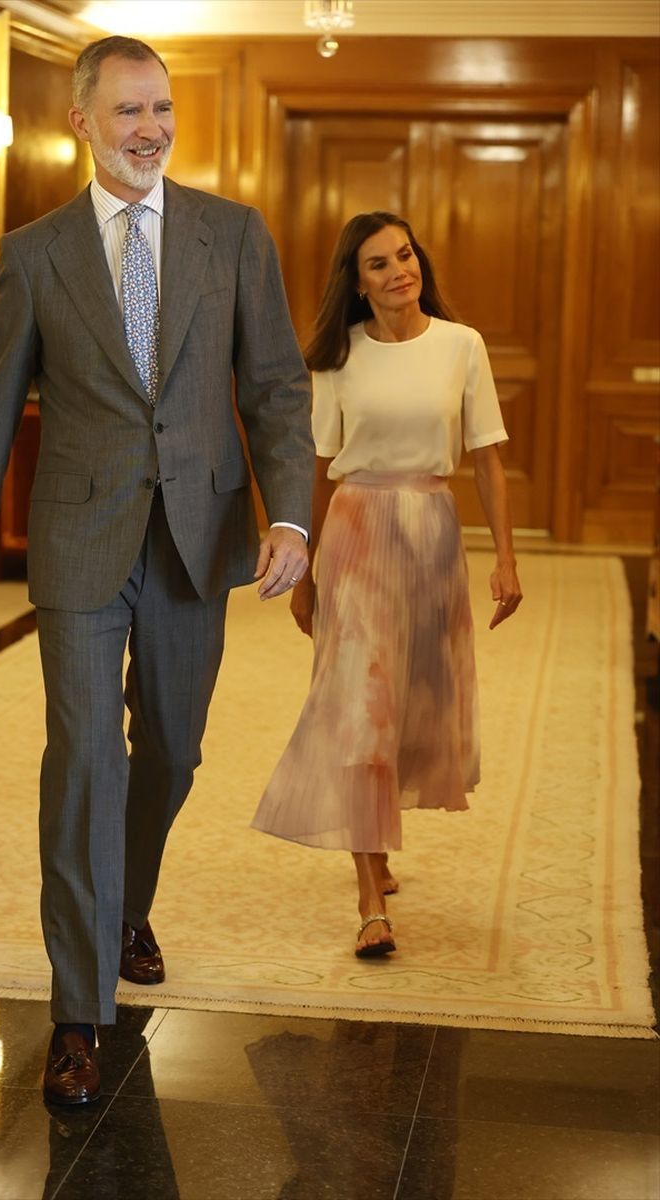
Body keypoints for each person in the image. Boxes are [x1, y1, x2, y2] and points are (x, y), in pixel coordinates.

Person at [0, 36, 313, 1105]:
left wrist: (290, 513)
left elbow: (277, 387)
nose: (149, 128)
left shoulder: (232, 235)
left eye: (161, 110)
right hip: (77, 542)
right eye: (128, 112)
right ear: (82, 122)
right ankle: (79, 1008)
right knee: (85, 757)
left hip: (198, 538)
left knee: (175, 753)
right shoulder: (35, 252)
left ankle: (127, 901)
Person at [252, 211, 522, 959]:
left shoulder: (461, 346)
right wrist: (302, 567)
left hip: (432, 533)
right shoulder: (337, 359)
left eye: (404, 255)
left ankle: (377, 850)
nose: (399, 270)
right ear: (357, 280)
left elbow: (489, 459)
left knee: (408, 707)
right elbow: (312, 465)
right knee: (360, 710)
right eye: (378, 263)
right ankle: (370, 894)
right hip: (357, 534)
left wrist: (506, 557)